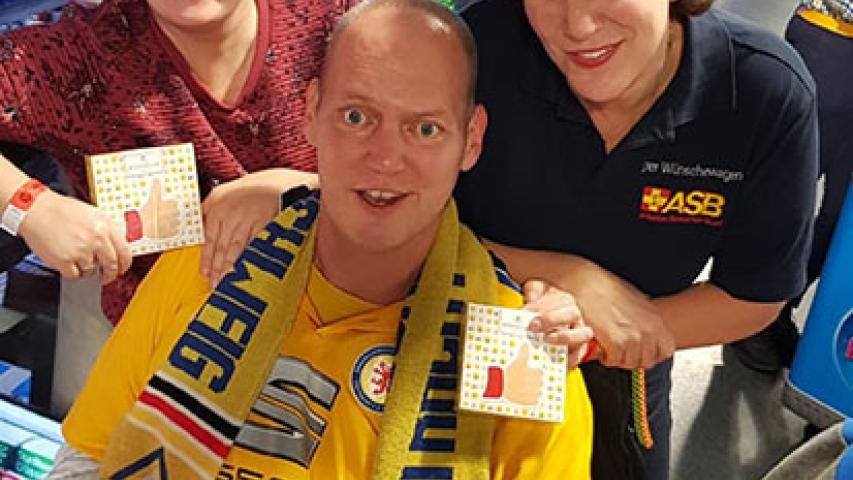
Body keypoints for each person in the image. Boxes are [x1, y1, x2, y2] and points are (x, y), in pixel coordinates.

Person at [49, 1, 595, 479]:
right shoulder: (204, 268)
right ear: (311, 114)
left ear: (471, 141)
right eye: (356, 117)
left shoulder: (525, 355)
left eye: (425, 129)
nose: (385, 158)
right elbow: (87, 460)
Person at [453, 0, 819, 479]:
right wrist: (569, 276)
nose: (578, 25)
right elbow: (395, 222)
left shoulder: (764, 91)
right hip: (455, 340)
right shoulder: (470, 49)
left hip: (629, 371)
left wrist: (600, 338)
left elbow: (753, 296)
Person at [0, 0, 351, 415]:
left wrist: (307, 190)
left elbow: (413, 151)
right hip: (164, 358)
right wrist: (28, 205)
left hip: (336, 342)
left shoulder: (336, 23)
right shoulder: (80, 57)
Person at [731, 0, 853, 374]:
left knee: (842, 218)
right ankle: (747, 306)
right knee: (788, 188)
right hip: (835, 37)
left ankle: (775, 306)